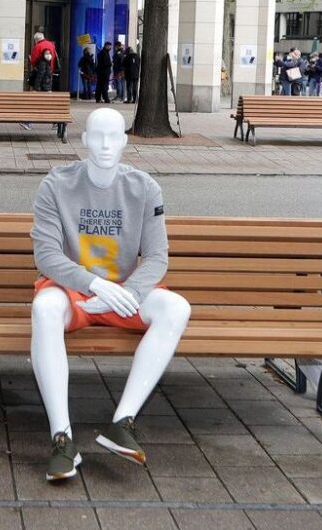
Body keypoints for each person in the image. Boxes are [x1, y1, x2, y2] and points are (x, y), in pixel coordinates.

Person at [31, 108, 191, 481]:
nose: (105, 145)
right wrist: (94, 285)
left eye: (113, 136)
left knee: (176, 308)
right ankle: (62, 439)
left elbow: (157, 257)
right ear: (85, 140)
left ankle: (123, 422)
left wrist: (128, 291)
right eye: (97, 136)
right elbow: (47, 255)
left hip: (124, 296)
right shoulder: (55, 184)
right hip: (74, 292)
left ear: (124, 141)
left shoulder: (145, 188)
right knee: (43, 308)